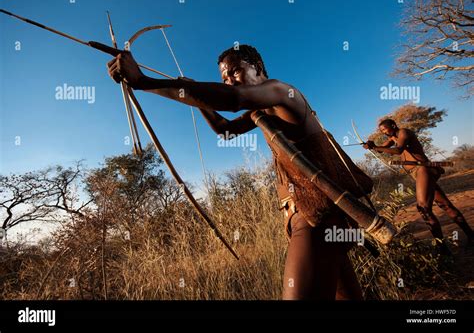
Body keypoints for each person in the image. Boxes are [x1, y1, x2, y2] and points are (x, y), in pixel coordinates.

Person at [107, 45, 371, 300]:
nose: (230, 81)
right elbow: (226, 130)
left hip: (315, 218)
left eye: (234, 71)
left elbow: (233, 100)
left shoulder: (281, 90)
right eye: (224, 77)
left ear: (256, 67)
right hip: (319, 217)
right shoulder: (263, 109)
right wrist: (197, 99)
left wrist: (142, 81)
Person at [363, 119, 474, 251]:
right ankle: (471, 236)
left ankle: (442, 248)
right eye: (381, 131)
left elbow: (398, 151)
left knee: (423, 208)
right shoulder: (394, 138)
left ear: (393, 125)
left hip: (422, 169)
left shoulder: (403, 133)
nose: (383, 132)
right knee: (445, 205)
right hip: (417, 172)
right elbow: (383, 149)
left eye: (384, 129)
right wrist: (372, 145)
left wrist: (375, 147)